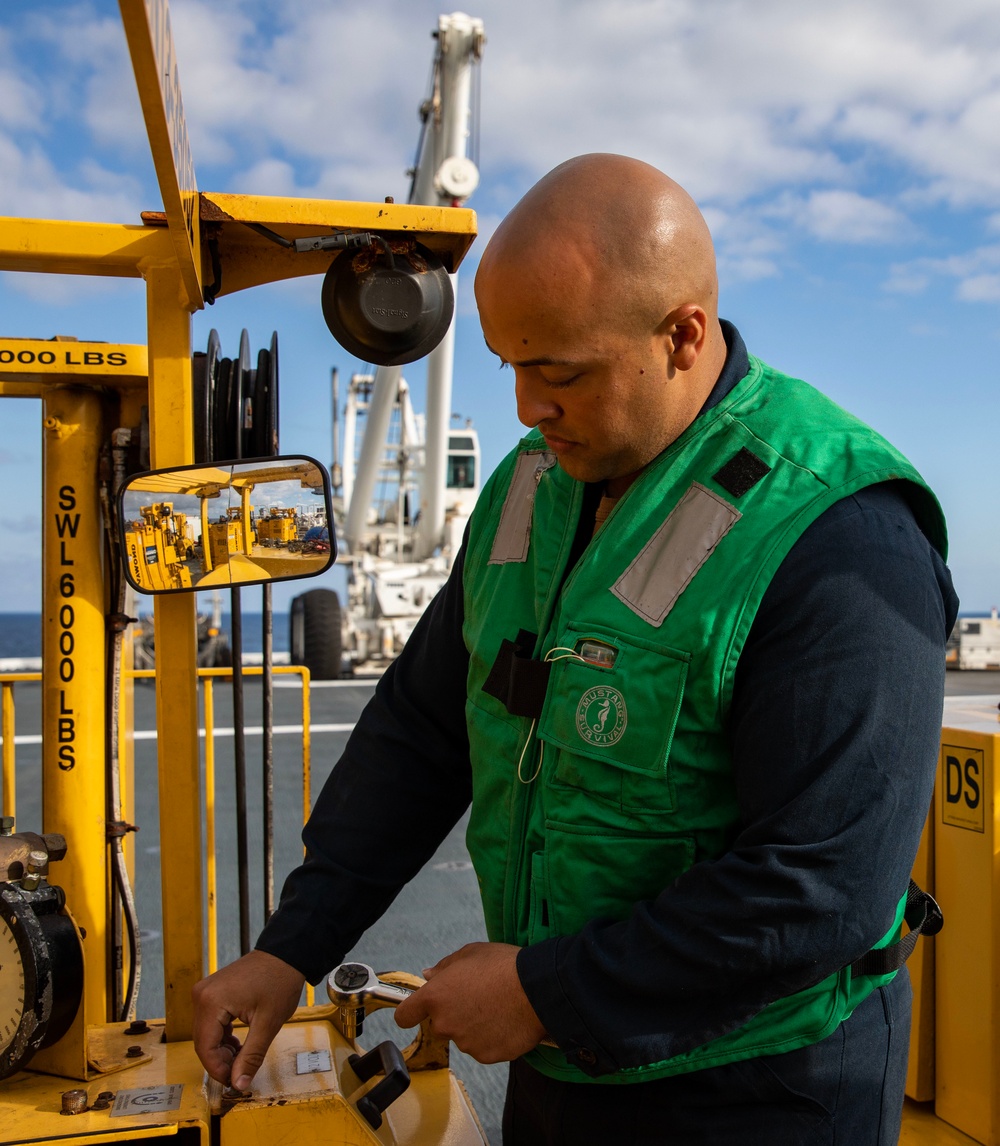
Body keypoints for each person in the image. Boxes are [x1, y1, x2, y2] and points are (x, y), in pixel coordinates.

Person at [192, 154, 957, 1144]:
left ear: (681, 336)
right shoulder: (528, 486)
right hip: (569, 1069)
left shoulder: (840, 535)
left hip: (762, 1091)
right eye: (511, 364)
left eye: (558, 371)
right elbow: (425, 733)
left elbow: (822, 887)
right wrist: (292, 948)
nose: (525, 407)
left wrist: (544, 992)